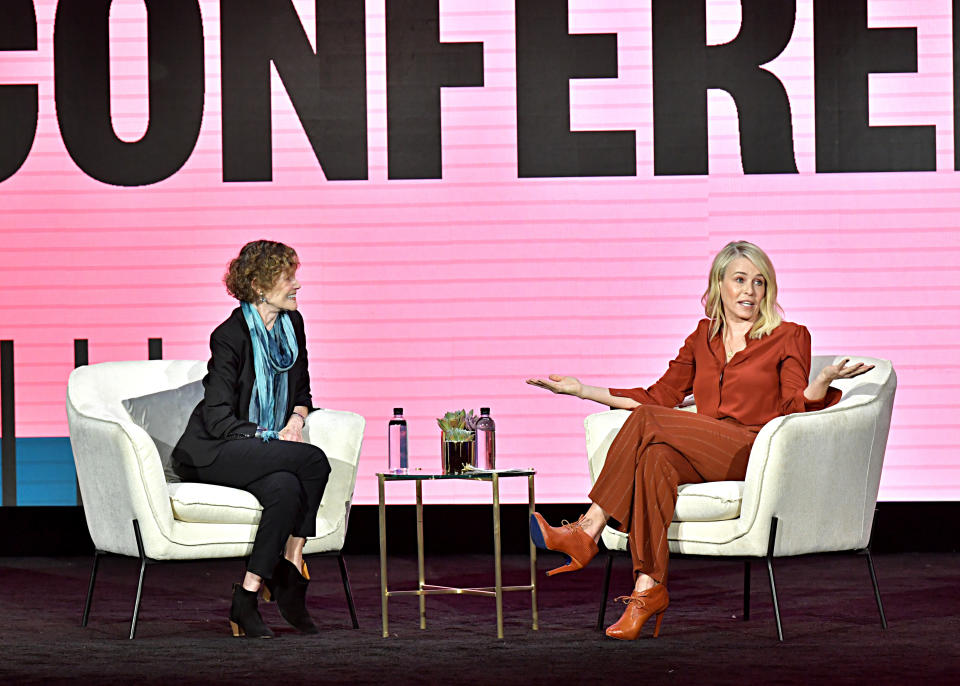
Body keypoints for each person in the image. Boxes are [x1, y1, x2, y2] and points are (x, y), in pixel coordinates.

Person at [526, 241, 873, 641]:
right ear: (719, 286)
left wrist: (822, 382)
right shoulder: (702, 337)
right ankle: (647, 589)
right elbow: (657, 397)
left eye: (759, 282)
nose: (750, 291)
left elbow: (793, 405)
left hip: (752, 449)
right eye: (740, 280)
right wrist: (582, 389)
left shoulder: (789, 336)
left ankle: (587, 528)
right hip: (704, 447)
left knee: (649, 423)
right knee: (655, 458)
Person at [173, 240, 331, 638]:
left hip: (262, 446)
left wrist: (295, 422)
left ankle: (246, 597)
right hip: (215, 450)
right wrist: (269, 435)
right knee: (313, 462)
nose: (298, 284)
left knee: (286, 487)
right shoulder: (229, 335)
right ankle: (293, 561)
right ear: (260, 284)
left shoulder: (293, 326)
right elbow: (218, 417)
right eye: (287, 277)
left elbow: (303, 393)